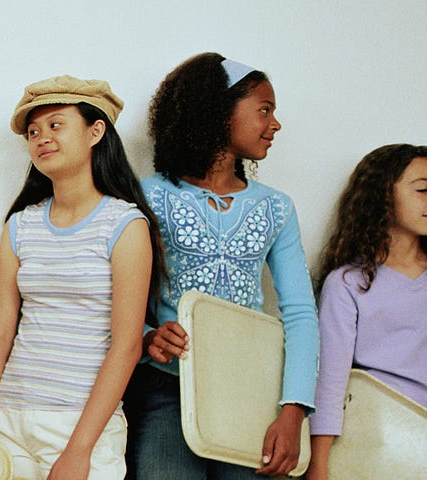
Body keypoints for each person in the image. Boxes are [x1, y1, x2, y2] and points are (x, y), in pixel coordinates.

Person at [127, 52, 317, 478]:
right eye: (264, 110)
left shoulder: (276, 208)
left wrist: (293, 411)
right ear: (218, 113)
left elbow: (302, 313)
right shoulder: (148, 197)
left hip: (252, 394)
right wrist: (145, 338)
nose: (275, 123)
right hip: (167, 390)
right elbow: (117, 295)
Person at [0, 75, 162, 480]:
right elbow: (0, 335)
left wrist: (79, 450)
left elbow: (126, 347)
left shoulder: (125, 225)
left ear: (96, 132)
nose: (42, 138)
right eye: (34, 131)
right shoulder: (20, 226)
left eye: (56, 125)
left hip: (82, 425)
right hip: (10, 420)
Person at [305, 144, 427, 478]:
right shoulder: (347, 284)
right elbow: (330, 382)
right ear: (382, 196)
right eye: (423, 189)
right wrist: (318, 467)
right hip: (375, 448)